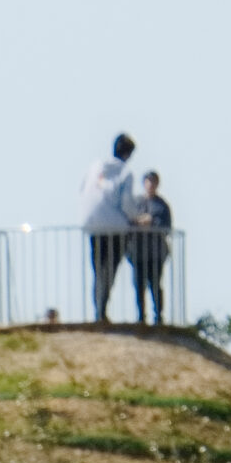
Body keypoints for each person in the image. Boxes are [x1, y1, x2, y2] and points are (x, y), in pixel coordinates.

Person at [78, 133, 147, 322]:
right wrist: (137, 218)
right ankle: (102, 310)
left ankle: (98, 310)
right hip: (115, 228)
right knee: (109, 270)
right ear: (128, 154)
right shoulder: (125, 172)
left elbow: (82, 188)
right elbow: (127, 204)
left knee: (98, 269)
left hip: (92, 225)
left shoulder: (95, 167)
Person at [126, 172, 173, 324]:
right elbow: (129, 221)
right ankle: (141, 317)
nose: (151, 185)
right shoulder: (137, 202)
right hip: (138, 251)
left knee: (155, 285)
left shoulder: (162, 205)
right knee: (138, 285)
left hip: (155, 252)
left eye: (153, 182)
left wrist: (151, 222)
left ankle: (158, 316)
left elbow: (166, 226)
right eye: (148, 181)